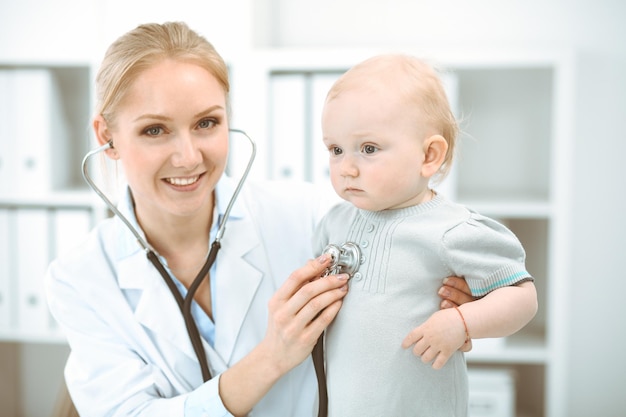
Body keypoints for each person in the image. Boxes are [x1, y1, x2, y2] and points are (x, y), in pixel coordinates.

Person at [44, 23, 473, 417]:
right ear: (107, 137)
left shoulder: (314, 217)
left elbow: (414, 238)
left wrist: (450, 304)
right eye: (155, 130)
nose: (189, 157)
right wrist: (273, 357)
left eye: (206, 123)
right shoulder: (79, 278)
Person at [313, 54, 538, 417]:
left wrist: (461, 322)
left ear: (429, 155)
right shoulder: (334, 223)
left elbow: (522, 298)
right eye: (335, 150)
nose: (347, 167)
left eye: (368, 149)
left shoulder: (452, 230)